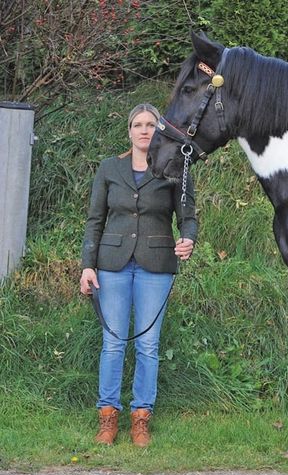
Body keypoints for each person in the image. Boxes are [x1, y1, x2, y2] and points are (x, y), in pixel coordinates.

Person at [79, 103, 197, 447]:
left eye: (151, 125)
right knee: (113, 343)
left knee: (148, 344)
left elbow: (188, 216)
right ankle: (107, 417)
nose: (144, 130)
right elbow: (94, 219)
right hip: (111, 264)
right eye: (138, 124)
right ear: (129, 130)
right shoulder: (108, 168)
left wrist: (188, 238)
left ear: (159, 131)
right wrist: (88, 265)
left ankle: (141, 417)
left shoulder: (176, 168)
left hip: (156, 266)